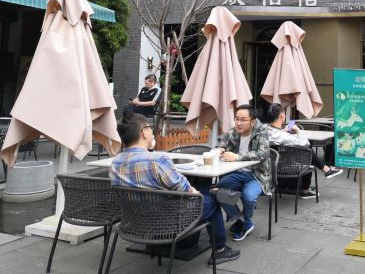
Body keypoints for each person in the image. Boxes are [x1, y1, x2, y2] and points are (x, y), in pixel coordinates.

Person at [109, 112, 240, 266]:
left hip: (134, 222)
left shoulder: (115, 163)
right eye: (150, 128)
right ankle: (220, 250)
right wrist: (197, 194)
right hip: (169, 222)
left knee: (205, 194)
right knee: (211, 201)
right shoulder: (157, 159)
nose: (152, 132)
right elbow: (184, 188)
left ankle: (212, 193)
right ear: (144, 132)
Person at [215, 105, 271, 242]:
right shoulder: (233, 131)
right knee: (216, 191)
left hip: (257, 175)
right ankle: (240, 220)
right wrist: (220, 150)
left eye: (243, 120)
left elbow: (262, 153)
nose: (238, 123)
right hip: (237, 173)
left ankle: (246, 221)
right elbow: (221, 144)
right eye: (237, 119)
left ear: (252, 121)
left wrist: (237, 157)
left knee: (248, 197)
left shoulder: (261, 132)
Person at [263, 103, 342, 199]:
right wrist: (297, 130)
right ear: (282, 115)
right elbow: (306, 143)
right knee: (307, 151)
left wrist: (283, 132)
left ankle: (325, 169)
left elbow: (276, 137)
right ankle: (306, 189)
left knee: (305, 151)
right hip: (287, 167)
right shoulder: (283, 136)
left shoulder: (264, 130)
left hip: (270, 166)